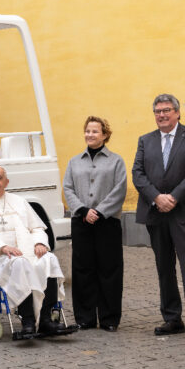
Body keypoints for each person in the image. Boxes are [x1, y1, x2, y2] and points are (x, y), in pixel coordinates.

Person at [132, 94, 185, 341]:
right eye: (157, 111)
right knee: (164, 267)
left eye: (167, 110)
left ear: (177, 112)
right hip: (156, 213)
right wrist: (157, 197)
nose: (162, 115)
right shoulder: (145, 140)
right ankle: (172, 318)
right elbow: (138, 174)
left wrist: (174, 197)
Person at [0, 165, 68, 336]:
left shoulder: (19, 201)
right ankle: (28, 321)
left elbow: (37, 227)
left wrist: (40, 243)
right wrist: (2, 247)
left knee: (49, 260)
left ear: (6, 182)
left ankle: (45, 320)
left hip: (27, 251)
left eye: (0, 178)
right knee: (20, 264)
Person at [63, 116, 127, 332]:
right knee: (83, 270)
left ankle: (109, 319)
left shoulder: (116, 161)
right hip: (81, 222)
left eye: (95, 131)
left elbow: (120, 190)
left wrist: (99, 211)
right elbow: (68, 188)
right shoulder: (74, 161)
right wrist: (82, 210)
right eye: (87, 131)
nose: (90, 135)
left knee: (109, 270)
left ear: (105, 135)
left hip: (107, 222)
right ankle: (85, 318)